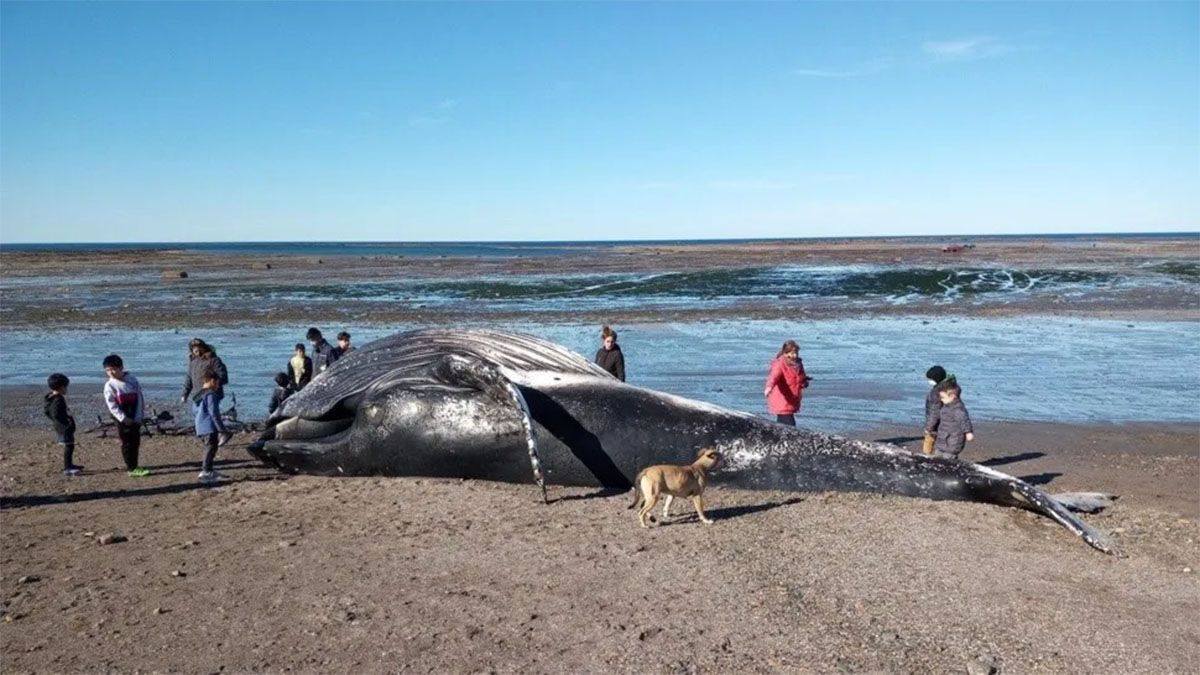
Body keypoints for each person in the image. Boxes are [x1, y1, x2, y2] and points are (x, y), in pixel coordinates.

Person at [103, 354, 150, 477]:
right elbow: (112, 405)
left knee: (136, 441)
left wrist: (139, 416)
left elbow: (139, 398)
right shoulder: (109, 385)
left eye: (113, 369)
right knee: (127, 442)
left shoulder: (132, 379)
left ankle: (134, 464)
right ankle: (132, 468)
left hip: (134, 414)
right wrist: (123, 418)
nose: (111, 372)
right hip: (122, 418)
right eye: (108, 370)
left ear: (121, 367)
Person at [193, 369, 231, 483]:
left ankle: (209, 470)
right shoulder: (210, 394)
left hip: (200, 425)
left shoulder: (198, 394)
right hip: (209, 426)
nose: (218, 386)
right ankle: (205, 472)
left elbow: (194, 411)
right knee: (210, 448)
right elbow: (214, 413)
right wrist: (222, 429)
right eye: (218, 383)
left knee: (210, 447)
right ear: (213, 381)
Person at [763, 339, 810, 427]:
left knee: (783, 423)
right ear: (785, 353)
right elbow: (774, 376)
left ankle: (779, 438)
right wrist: (769, 387)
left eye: (796, 353)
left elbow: (800, 375)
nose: (794, 355)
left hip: (792, 397)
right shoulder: (780, 364)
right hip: (782, 399)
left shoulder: (798, 363)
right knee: (789, 424)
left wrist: (804, 382)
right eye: (792, 353)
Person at [43, 373, 83, 476]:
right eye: (66, 387)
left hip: (60, 426)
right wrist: (66, 421)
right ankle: (67, 467)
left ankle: (70, 464)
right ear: (62, 387)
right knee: (69, 446)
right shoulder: (58, 399)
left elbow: (47, 411)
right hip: (64, 427)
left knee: (70, 445)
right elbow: (55, 413)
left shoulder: (50, 397)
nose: (66, 390)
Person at [926, 378, 975, 459]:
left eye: (943, 397)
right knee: (937, 456)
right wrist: (931, 428)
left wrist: (968, 432)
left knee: (948, 458)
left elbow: (964, 420)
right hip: (942, 437)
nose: (941, 399)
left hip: (953, 440)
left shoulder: (958, 409)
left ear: (952, 396)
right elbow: (937, 416)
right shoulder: (946, 406)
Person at [180, 338, 229, 403]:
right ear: (192, 350)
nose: (197, 350)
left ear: (204, 348)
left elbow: (224, 377)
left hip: (212, 395)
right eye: (195, 349)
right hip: (197, 396)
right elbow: (189, 380)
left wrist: (212, 384)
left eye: (199, 348)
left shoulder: (213, 360)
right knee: (199, 412)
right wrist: (184, 395)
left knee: (211, 412)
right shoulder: (193, 363)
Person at [922, 365, 948, 455]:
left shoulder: (936, 393)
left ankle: (927, 458)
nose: (929, 381)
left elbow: (934, 412)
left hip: (936, 425)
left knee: (928, 444)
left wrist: (929, 427)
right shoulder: (949, 389)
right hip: (945, 423)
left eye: (930, 379)